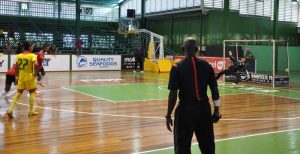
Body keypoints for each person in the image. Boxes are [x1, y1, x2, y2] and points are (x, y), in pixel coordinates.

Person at [166, 37, 222, 154]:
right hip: (204, 111)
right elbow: (215, 90)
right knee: (208, 147)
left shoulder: (177, 67)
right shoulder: (207, 66)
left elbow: (173, 94)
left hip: (185, 111)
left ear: (182, 49)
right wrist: (216, 110)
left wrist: (168, 115)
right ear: (197, 49)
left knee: (183, 147)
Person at [6, 41, 39, 118]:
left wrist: (17, 77)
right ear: (29, 47)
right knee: (32, 92)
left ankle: (10, 109)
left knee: (18, 93)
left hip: (21, 77)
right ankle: (31, 111)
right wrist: (35, 73)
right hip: (29, 77)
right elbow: (36, 65)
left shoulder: (19, 56)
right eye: (32, 46)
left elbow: (16, 68)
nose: (33, 47)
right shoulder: (32, 55)